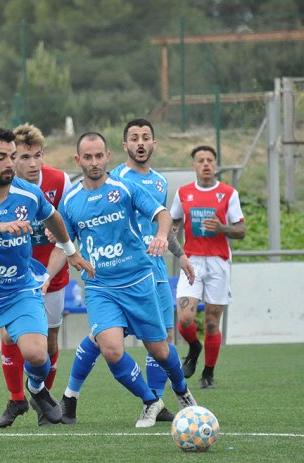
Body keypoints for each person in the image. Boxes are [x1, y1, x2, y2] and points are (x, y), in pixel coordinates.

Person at [0, 126, 93, 443]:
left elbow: (53, 216)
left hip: (20, 291)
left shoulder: (29, 193)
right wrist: (1, 225)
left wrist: (71, 252)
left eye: (12, 156)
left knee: (38, 353)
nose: (9, 163)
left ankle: (37, 389)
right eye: (1, 157)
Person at [47, 132, 197, 428]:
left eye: (98, 156)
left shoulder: (125, 189)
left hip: (138, 282)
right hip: (100, 287)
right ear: (78, 160)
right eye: (87, 157)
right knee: (112, 348)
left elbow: (163, 214)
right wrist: (45, 277)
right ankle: (151, 402)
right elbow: (61, 246)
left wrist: (161, 236)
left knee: (159, 349)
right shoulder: (71, 201)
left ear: (108, 157)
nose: (93, 162)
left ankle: (182, 391)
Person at [109, 118, 195, 421]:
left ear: (154, 144)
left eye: (146, 137)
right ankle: (71, 396)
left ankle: (158, 401)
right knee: (105, 340)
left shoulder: (159, 182)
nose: (141, 143)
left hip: (155, 269)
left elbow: (163, 224)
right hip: (124, 272)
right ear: (125, 146)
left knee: (163, 339)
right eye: (134, 138)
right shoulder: (115, 179)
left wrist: (181, 256)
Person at [0, 123, 73, 428]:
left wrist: (46, 278)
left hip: (52, 270)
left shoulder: (60, 181)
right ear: (11, 158)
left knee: (50, 342)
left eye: (37, 156)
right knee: (9, 334)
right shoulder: (1, 187)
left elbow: (64, 238)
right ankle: (16, 399)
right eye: (24, 157)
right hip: (16, 274)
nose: (32, 164)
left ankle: (42, 398)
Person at [171, 145, 246, 389]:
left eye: (210, 160)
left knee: (213, 322)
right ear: (193, 165)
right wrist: (168, 241)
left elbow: (241, 230)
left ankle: (208, 374)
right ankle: (194, 347)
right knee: (184, 318)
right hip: (191, 261)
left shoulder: (228, 193)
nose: (205, 164)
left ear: (215, 164)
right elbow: (173, 224)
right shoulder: (183, 193)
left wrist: (222, 228)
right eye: (200, 160)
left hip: (218, 262)